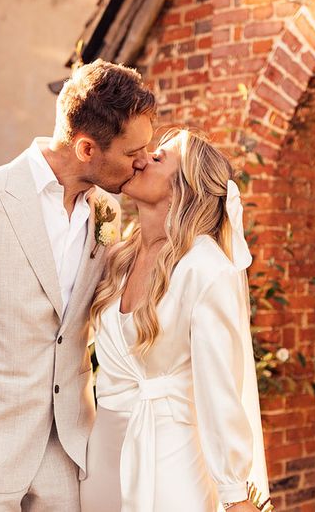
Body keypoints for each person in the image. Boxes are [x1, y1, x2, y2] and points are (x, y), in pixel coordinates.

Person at [0, 60, 156, 512]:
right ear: (85, 148)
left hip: (69, 450)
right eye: (131, 151)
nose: (142, 162)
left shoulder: (108, 213)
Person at [80, 129, 271, 512]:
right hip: (101, 457)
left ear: (184, 188)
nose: (143, 157)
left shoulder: (206, 269)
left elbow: (220, 387)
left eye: (159, 157)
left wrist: (235, 496)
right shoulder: (116, 260)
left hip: (169, 464)